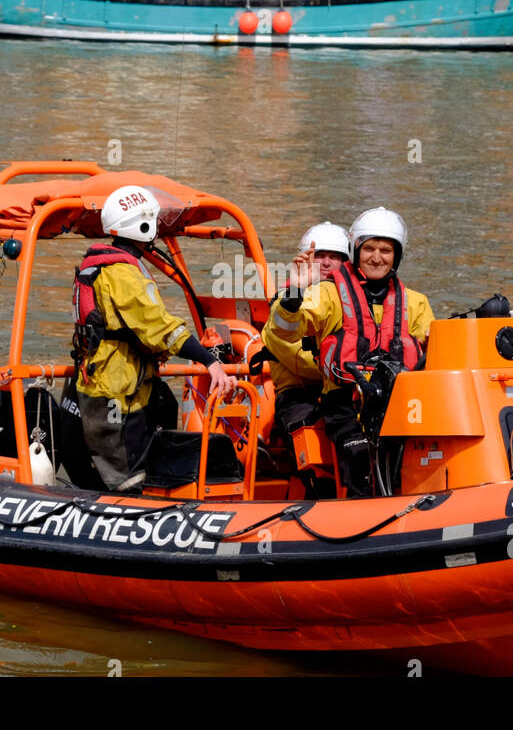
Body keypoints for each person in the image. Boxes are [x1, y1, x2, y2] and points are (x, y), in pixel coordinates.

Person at [72, 185, 236, 493]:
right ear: (141, 223)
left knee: (157, 420)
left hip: (110, 385)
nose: (158, 225)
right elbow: (161, 328)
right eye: (153, 219)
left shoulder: (104, 264)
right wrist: (208, 360)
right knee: (129, 479)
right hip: (119, 393)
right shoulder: (124, 273)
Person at [268, 208, 433, 499]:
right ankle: (360, 520)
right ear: (357, 251)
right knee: (359, 456)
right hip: (345, 401)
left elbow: (430, 355)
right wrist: (294, 292)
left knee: (416, 454)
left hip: (402, 401)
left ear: (397, 255)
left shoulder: (416, 303)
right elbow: (286, 331)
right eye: (369, 248)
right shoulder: (327, 294)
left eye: (385, 250)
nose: (377, 257)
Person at [261, 223, 350, 451]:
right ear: (305, 258)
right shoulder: (285, 302)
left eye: (335, 256)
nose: (327, 263)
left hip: (344, 391)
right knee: (312, 436)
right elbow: (300, 358)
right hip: (298, 395)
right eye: (320, 256)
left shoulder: (353, 300)